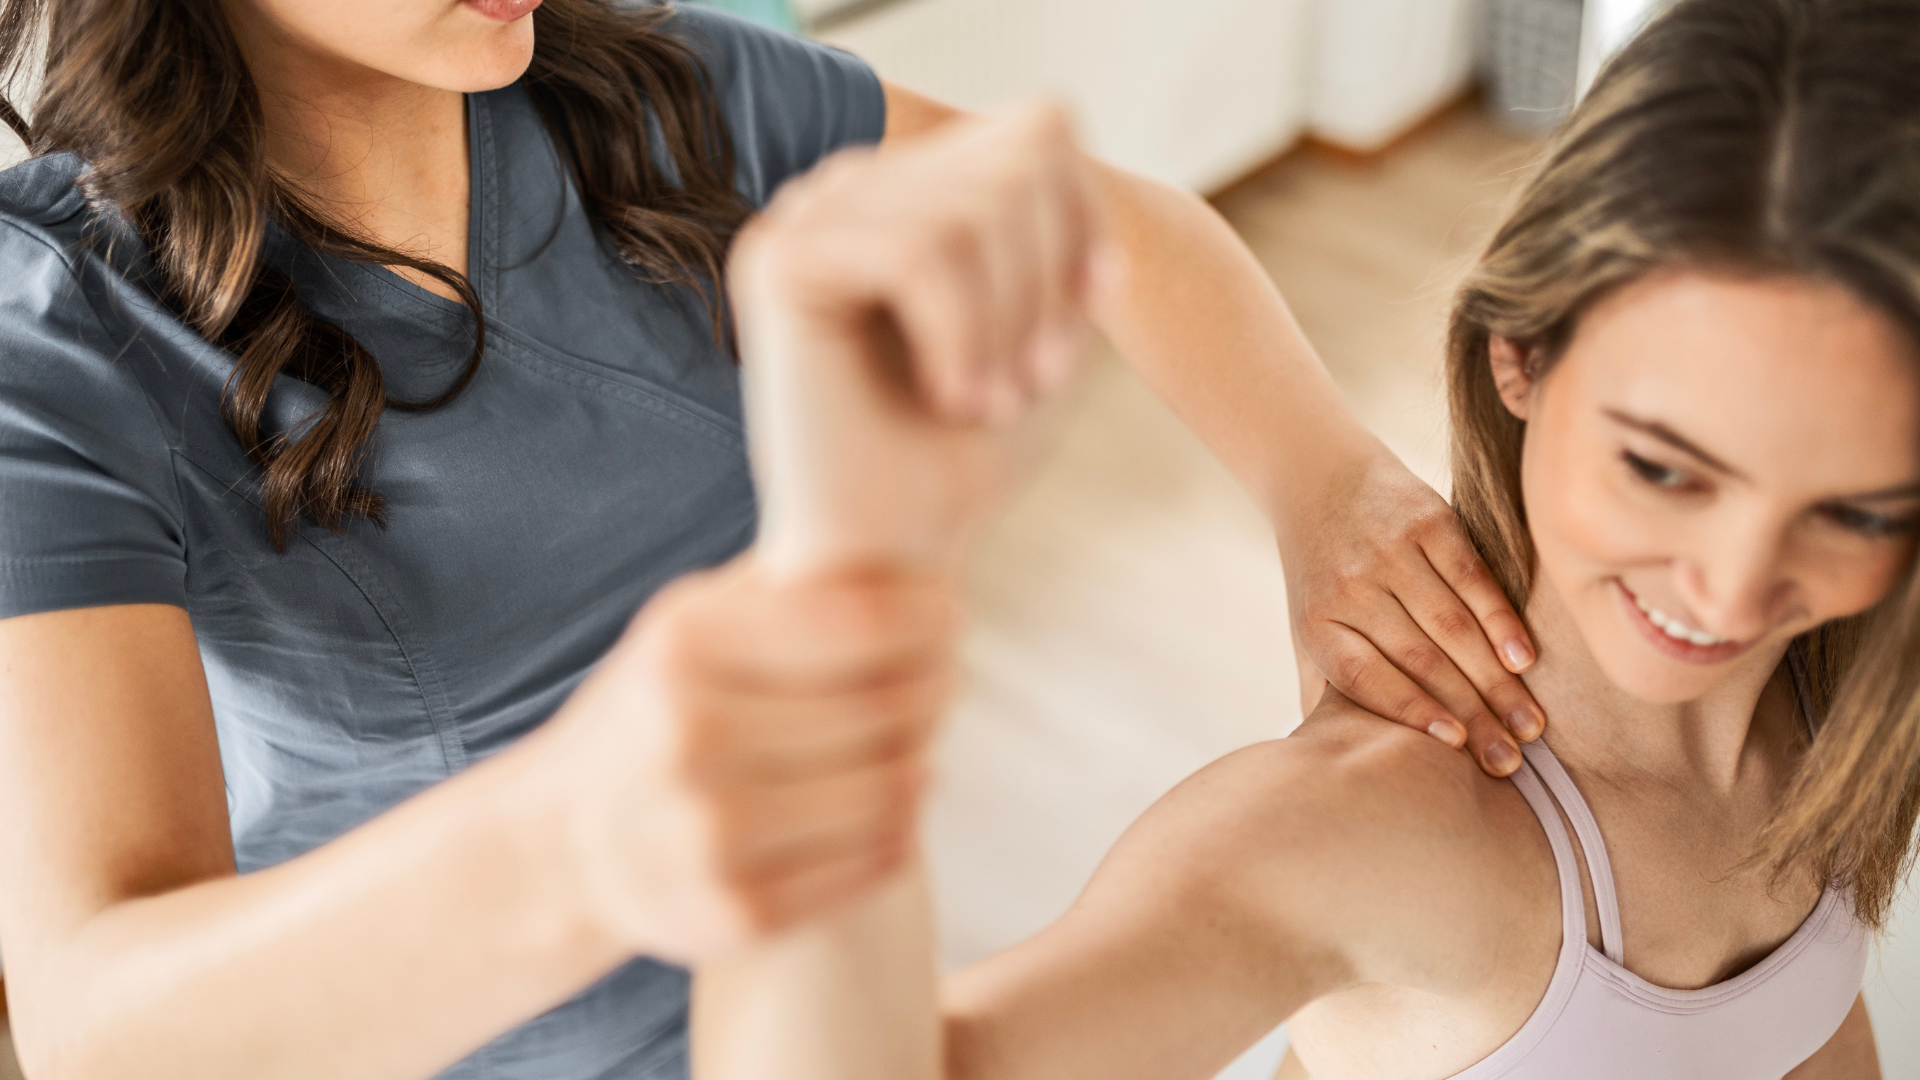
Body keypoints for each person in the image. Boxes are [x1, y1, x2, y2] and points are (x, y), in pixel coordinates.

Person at [0, 2, 1541, 1079]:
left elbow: (1111, 221)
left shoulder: (662, 97)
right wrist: (589, 835)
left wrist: (1327, 487)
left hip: (815, 997)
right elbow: (100, 1030)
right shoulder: (54, 335)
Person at [695, 0, 1920, 1077]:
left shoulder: (1837, 700)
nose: (1736, 587)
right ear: (1521, 354)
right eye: (1663, 467)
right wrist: (841, 580)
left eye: (1858, 508)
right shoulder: (1372, 831)